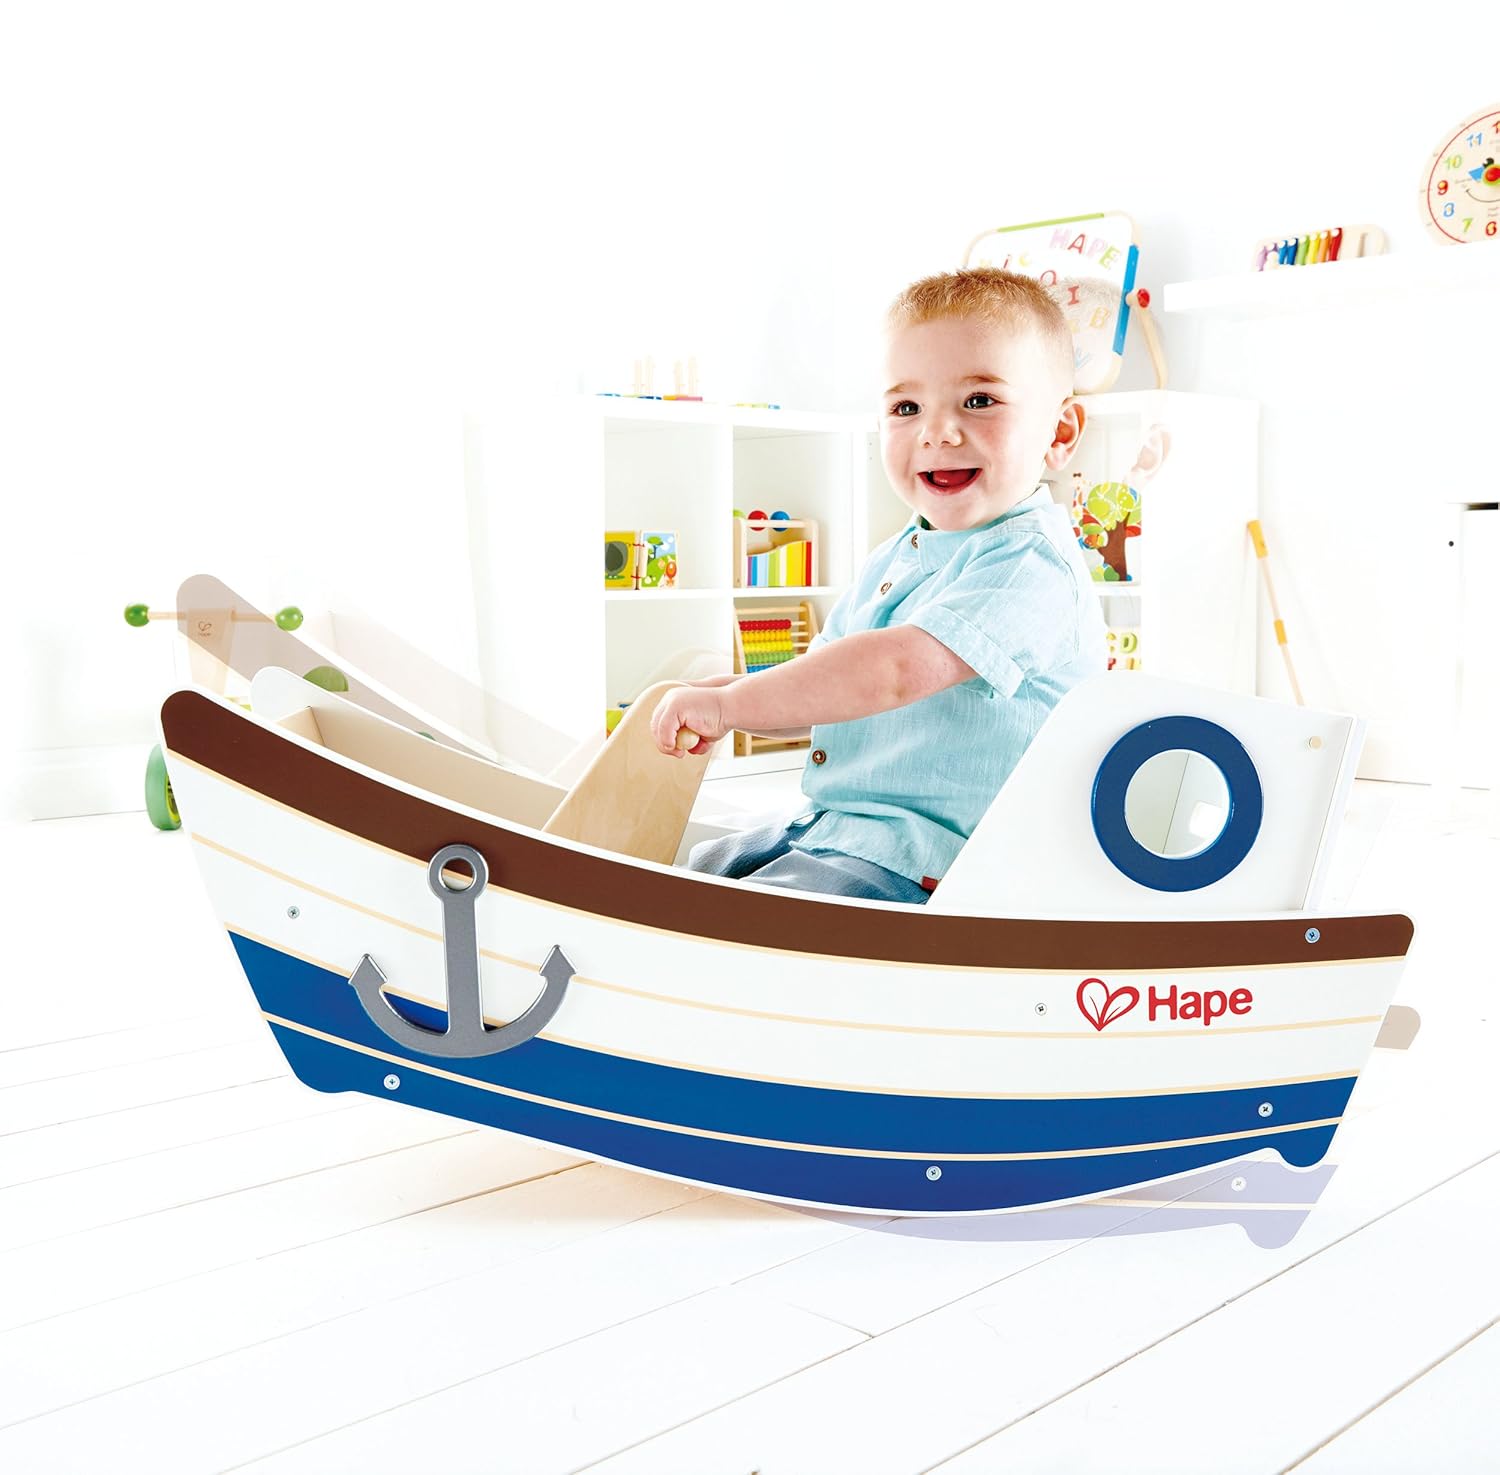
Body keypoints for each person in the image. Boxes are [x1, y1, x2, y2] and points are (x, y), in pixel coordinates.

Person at [650, 267, 1106, 904]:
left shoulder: (1031, 564)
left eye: (979, 400)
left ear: (1059, 433)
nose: (937, 432)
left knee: (758, 911)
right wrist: (732, 694)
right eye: (906, 408)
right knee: (698, 871)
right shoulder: (897, 556)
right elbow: (822, 683)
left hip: (941, 863)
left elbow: (894, 671)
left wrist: (733, 707)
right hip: (840, 830)